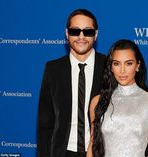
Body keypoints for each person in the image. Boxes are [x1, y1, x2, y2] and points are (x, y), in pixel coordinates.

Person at [37, 9, 106, 157]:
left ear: (96, 35)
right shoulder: (53, 69)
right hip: (63, 153)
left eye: (87, 32)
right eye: (75, 31)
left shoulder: (109, 67)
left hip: (101, 152)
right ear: (67, 34)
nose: (81, 37)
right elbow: (45, 123)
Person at [87, 39, 148, 157]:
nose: (122, 70)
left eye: (128, 63)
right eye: (116, 63)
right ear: (111, 67)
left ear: (137, 66)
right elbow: (92, 146)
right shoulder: (97, 101)